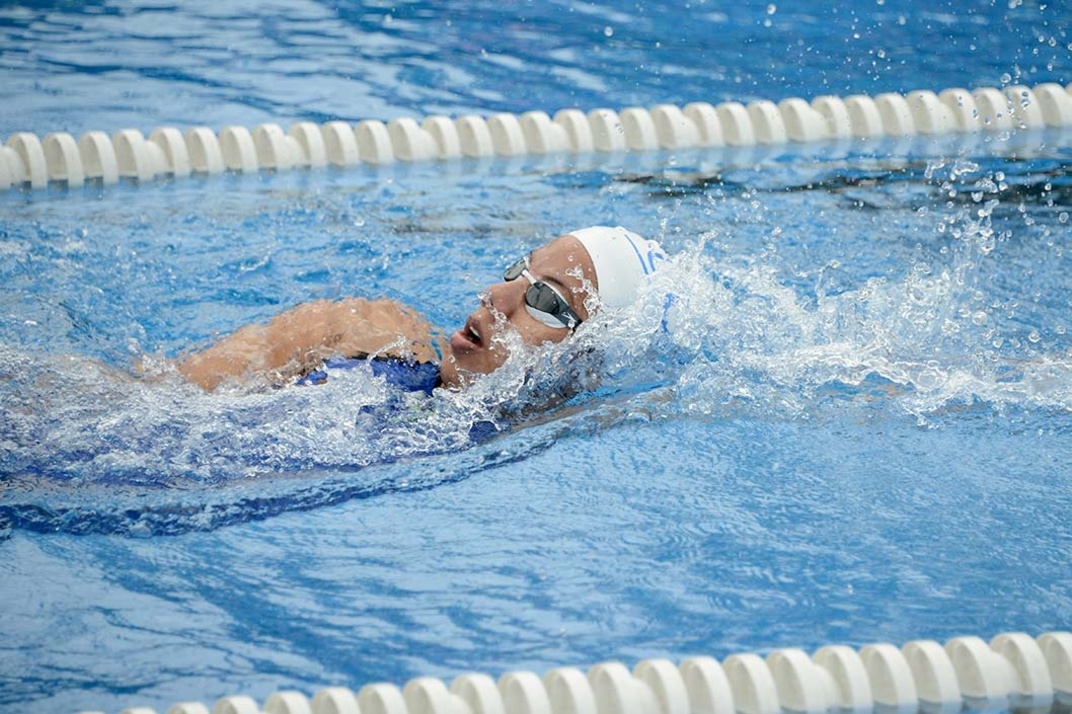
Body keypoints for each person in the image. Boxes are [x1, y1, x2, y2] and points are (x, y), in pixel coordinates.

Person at [177, 226, 666, 393]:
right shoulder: (363, 333)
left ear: (588, 359)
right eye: (519, 270)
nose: (496, 295)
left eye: (546, 300)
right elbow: (156, 393)